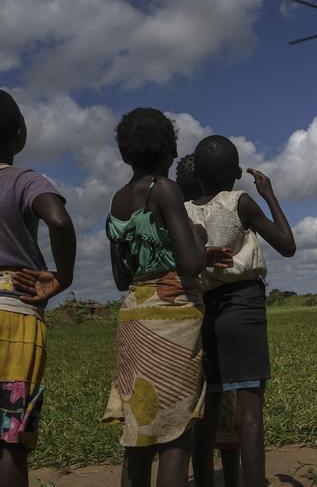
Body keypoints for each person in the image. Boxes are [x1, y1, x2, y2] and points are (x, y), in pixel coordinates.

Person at [103, 108, 230, 487]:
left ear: (124, 155)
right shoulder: (165, 189)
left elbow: (120, 276)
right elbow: (190, 264)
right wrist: (200, 238)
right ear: (171, 151)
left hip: (134, 318)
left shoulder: (117, 200)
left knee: (138, 434)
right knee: (177, 434)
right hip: (173, 322)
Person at [187, 135, 296, 487]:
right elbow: (286, 245)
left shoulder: (184, 211)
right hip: (244, 308)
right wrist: (269, 195)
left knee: (208, 413)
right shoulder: (241, 202)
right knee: (249, 415)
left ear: (196, 174)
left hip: (205, 312)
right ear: (236, 173)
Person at [0, 90, 77, 487]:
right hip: (16, 315)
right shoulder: (24, 179)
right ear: (18, 136)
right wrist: (62, 276)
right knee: (11, 438)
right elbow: (60, 222)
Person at [176, 152, 242, 487]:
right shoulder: (224, 209)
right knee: (226, 413)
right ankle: (232, 480)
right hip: (220, 316)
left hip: (185, 326)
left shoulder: (174, 218)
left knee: (196, 419)